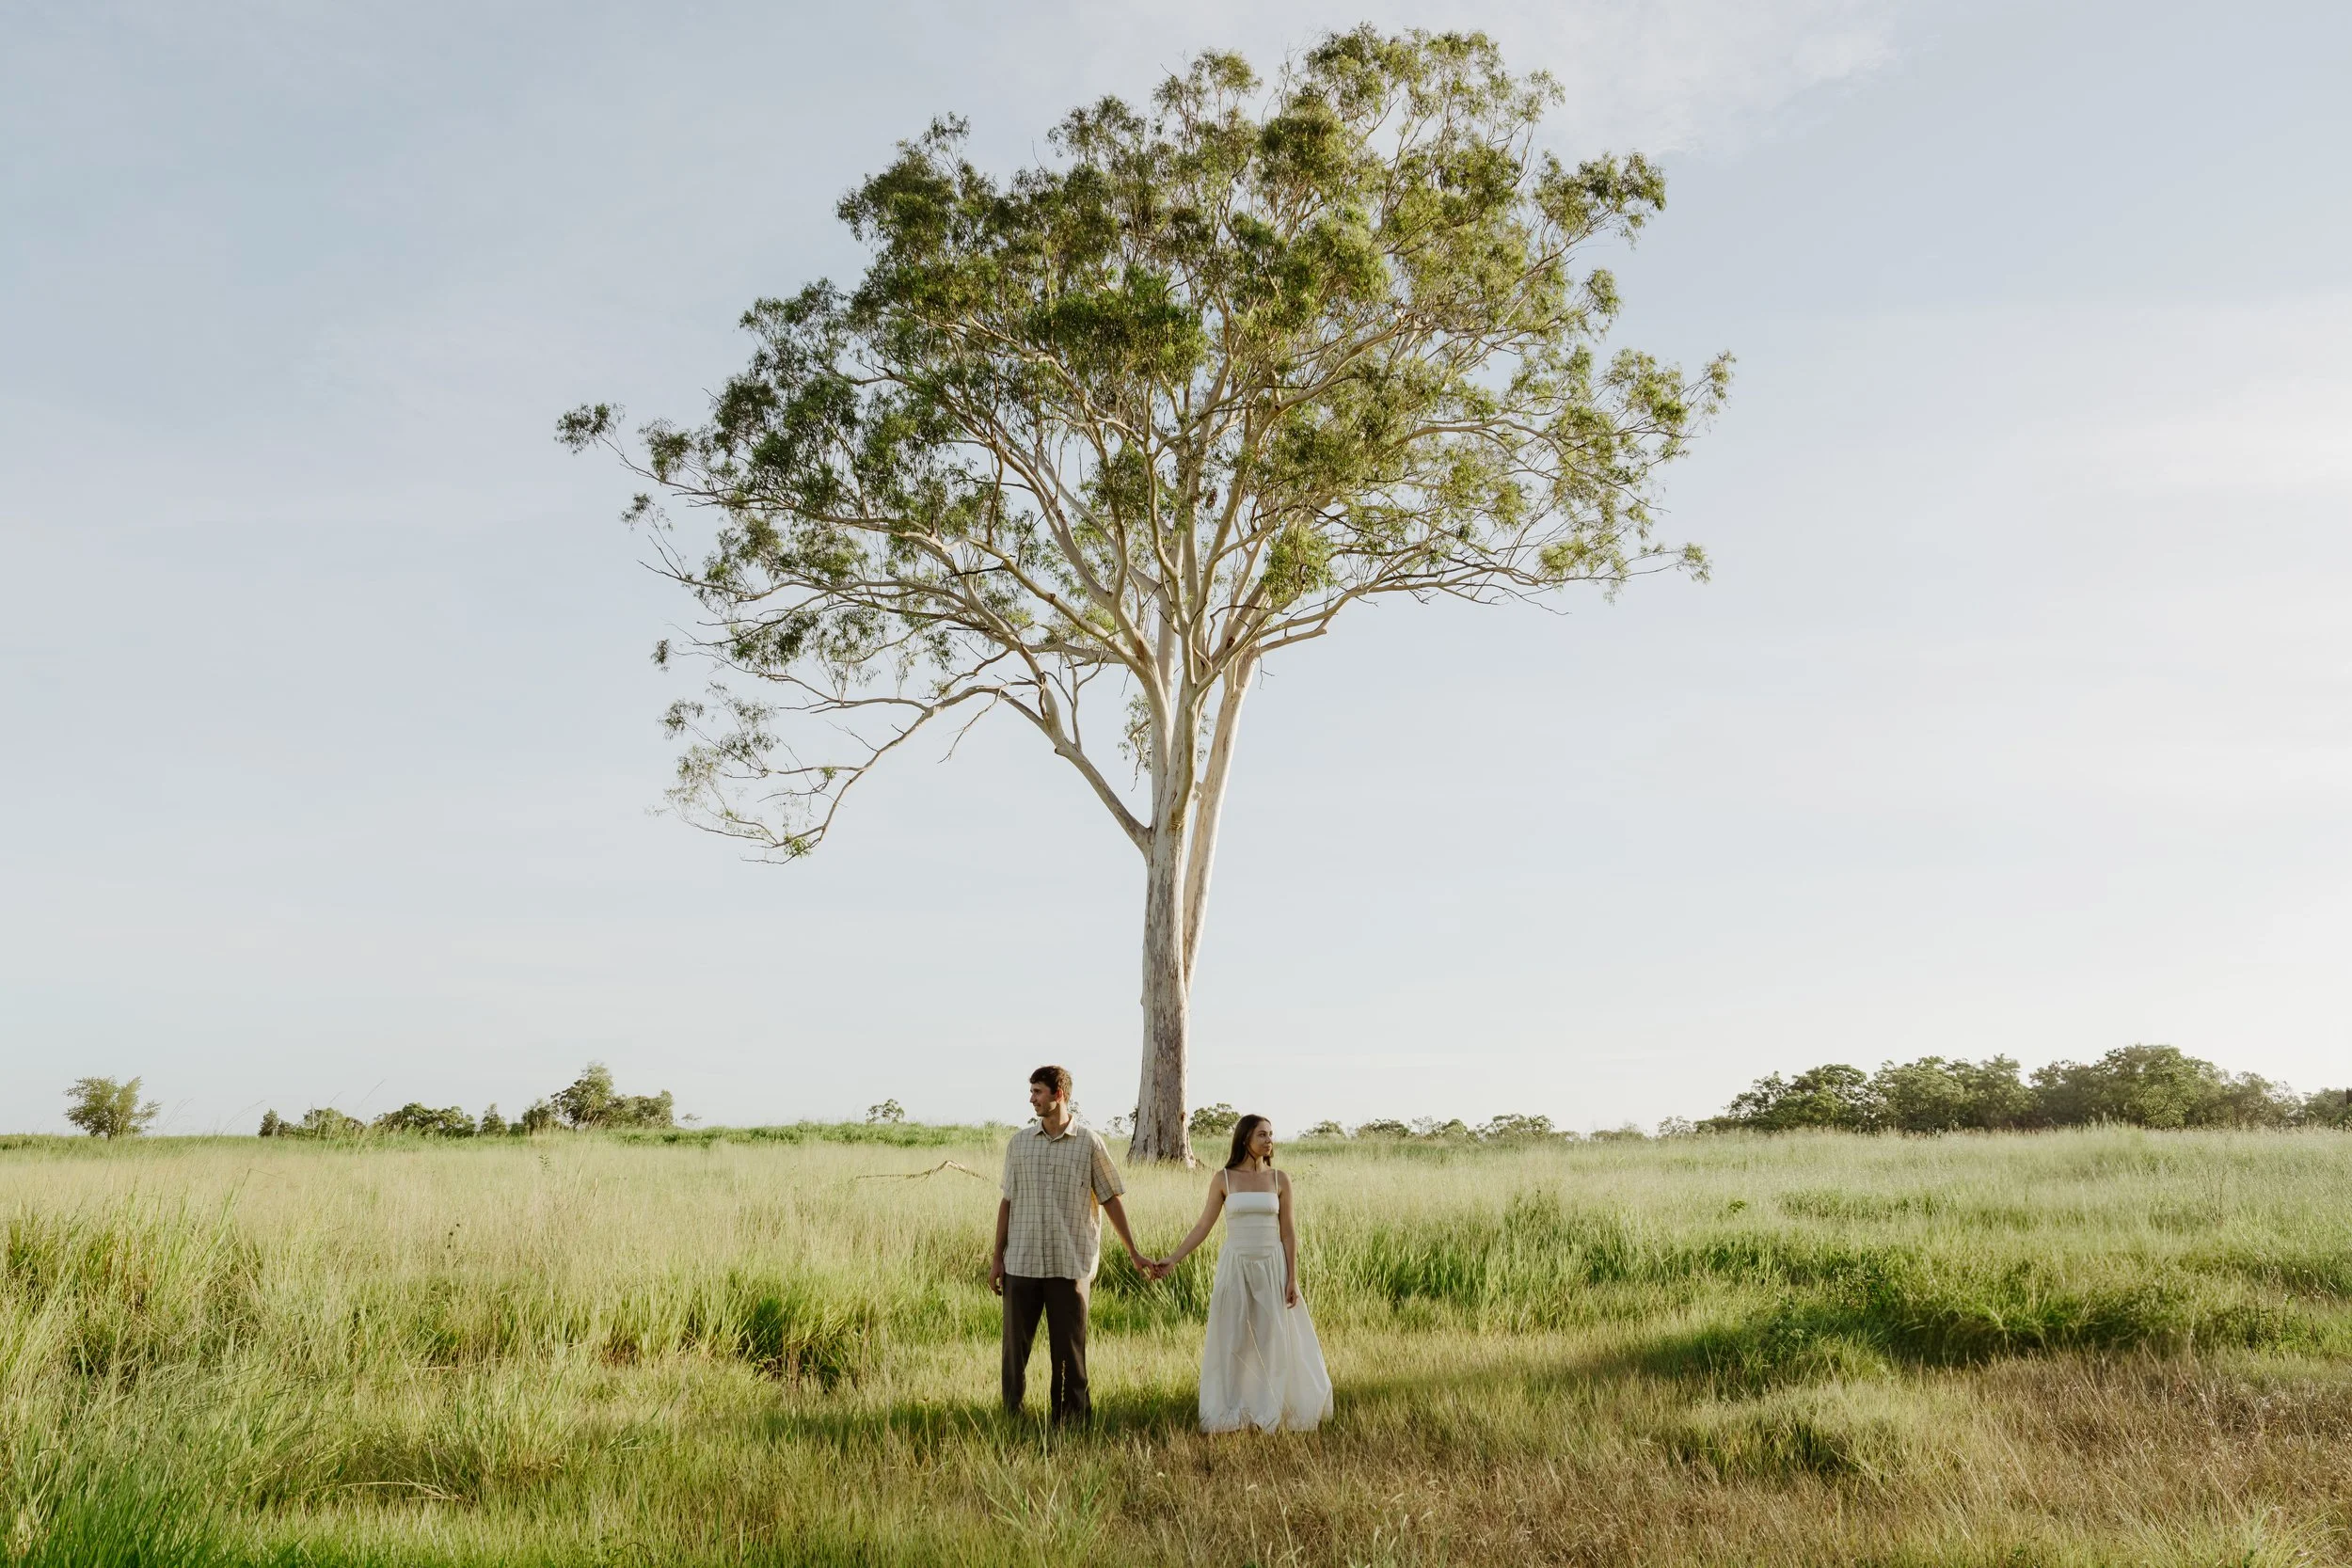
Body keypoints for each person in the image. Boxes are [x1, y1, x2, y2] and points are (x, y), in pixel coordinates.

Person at [991, 1064, 1152, 1424]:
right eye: (1031, 1091)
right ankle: (1011, 1415)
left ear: (1058, 1094)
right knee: (1014, 1351)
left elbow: (1110, 1199)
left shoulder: (1090, 1144)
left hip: (1070, 1263)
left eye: (1037, 1092)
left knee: (1069, 1352)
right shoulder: (1019, 1144)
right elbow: (1008, 1202)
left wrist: (1133, 1251)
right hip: (1022, 1262)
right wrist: (997, 1258)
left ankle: (1070, 1422)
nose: (1031, 1098)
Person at [1152, 1114, 1333, 1433]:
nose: (1268, 1140)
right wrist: (1173, 1259)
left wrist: (1293, 1277)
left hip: (1273, 1265)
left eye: (1271, 1134)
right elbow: (1203, 1226)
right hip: (1235, 1265)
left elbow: (1288, 1232)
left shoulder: (1280, 1179)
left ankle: (1272, 1405)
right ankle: (1234, 1406)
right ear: (1245, 1137)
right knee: (1235, 1336)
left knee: (1273, 1338)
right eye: (1262, 1134)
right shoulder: (1224, 1178)